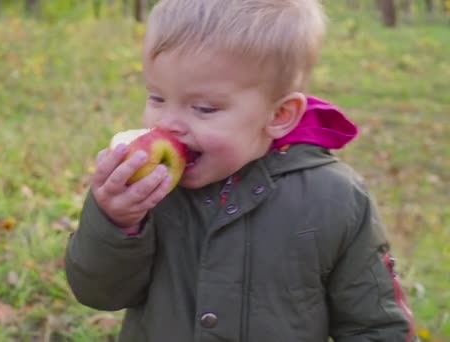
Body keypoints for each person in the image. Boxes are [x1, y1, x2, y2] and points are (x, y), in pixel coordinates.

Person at [65, 0, 415, 341]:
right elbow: (100, 293)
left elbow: (375, 325)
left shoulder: (335, 200)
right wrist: (115, 221)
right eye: (156, 98)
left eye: (203, 108)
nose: (168, 124)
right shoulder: (149, 194)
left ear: (279, 115)